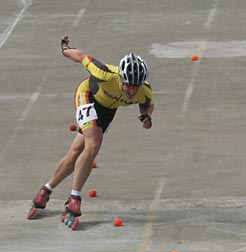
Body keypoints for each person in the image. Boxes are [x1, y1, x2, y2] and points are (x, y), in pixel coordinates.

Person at [27, 35, 154, 229]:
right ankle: (74, 198)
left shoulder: (143, 92)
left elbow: (147, 105)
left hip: (107, 111)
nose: (131, 90)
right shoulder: (105, 74)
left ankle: (45, 190)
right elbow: (81, 56)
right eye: (128, 84)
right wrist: (64, 48)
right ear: (121, 78)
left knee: (77, 152)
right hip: (87, 96)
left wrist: (146, 116)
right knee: (94, 143)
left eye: (136, 86)